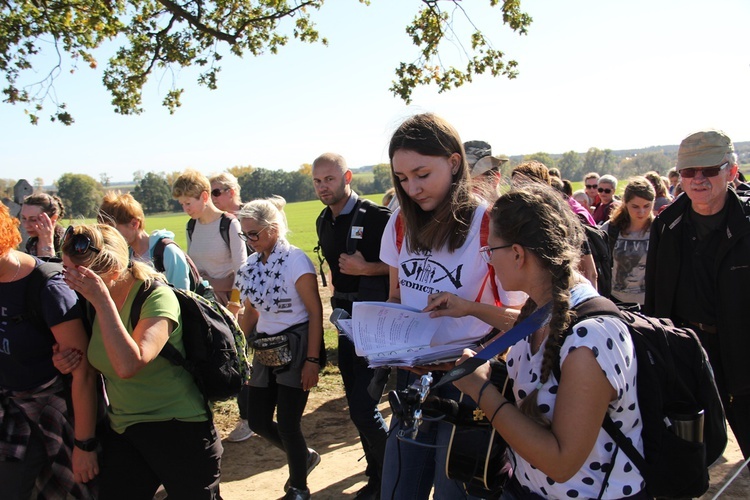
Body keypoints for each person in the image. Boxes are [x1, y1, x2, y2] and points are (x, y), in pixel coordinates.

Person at [425, 184, 646, 499]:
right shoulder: (550, 301)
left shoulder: (591, 339)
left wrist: (480, 389)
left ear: (517, 254)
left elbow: (561, 463)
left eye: (490, 250)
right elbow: (540, 328)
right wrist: (468, 308)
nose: (488, 260)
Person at [379, 113, 525, 499]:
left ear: (454, 162)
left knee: (453, 491)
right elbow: (396, 298)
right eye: (402, 178)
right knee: (397, 489)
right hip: (412, 376)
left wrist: (468, 308)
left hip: (472, 382)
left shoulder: (489, 226)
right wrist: (377, 334)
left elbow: (526, 323)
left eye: (422, 174)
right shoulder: (398, 224)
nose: (412, 188)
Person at [60, 223, 222, 499]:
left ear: (111, 272)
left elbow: (128, 365)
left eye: (77, 274)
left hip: (179, 429)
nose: (69, 281)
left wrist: (102, 301)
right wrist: (65, 359)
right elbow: (92, 364)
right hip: (124, 429)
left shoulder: (156, 297)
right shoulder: (89, 301)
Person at [645, 128, 750, 463]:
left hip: (744, 356)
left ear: (731, 172)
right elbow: (655, 298)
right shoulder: (667, 225)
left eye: (709, 170)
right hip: (687, 356)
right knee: (687, 458)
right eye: (689, 172)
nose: (698, 180)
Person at [0, 204, 99, 499]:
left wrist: (84, 446)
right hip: (10, 416)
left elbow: (83, 372)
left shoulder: (47, 287)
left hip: (54, 416)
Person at [312, 152, 390, 500]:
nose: (322, 187)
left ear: (347, 177)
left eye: (329, 179)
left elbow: (406, 267)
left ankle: (393, 477)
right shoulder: (322, 221)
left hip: (376, 320)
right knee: (356, 402)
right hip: (344, 320)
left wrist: (367, 269)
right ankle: (377, 477)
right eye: (317, 181)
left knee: (363, 405)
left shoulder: (377, 218)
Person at [235, 197, 323, 500]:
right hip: (265, 347)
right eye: (244, 235)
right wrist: (237, 348)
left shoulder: (295, 260)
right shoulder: (251, 264)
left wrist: (313, 359)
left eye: (254, 234)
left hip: (297, 347)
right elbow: (251, 312)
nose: (249, 241)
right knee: (257, 419)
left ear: (273, 229)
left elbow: (314, 312)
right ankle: (305, 457)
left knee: (288, 423)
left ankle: (299, 487)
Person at [172, 169, 247, 312]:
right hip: (202, 304)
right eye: (182, 204)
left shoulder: (229, 224)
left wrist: (235, 304)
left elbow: (242, 270)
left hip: (227, 306)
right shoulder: (191, 226)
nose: (185, 209)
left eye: (188, 203)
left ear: (204, 196)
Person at [97, 192, 192, 290]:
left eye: (112, 229)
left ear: (134, 224)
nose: (107, 235)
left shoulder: (167, 252)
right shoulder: (126, 257)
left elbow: (182, 296)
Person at [601, 177, 655, 307]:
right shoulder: (610, 229)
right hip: (616, 301)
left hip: (650, 303)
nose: (641, 212)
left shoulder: (659, 230)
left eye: (647, 206)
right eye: (635, 206)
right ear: (625, 203)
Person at [20, 192, 66, 258]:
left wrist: (47, 244)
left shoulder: (67, 242)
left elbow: (53, 268)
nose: (26, 225)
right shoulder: (32, 242)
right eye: (24, 218)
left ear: (53, 218)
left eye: (33, 219)